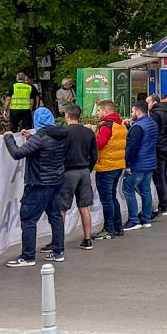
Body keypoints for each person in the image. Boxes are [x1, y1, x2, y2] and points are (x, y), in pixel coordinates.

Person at [3, 107, 70, 265]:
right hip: (56, 182)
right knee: (56, 216)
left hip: (38, 183)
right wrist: (31, 138)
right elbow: (46, 146)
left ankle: (28, 256)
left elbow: (17, 153)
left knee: (28, 220)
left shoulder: (40, 137)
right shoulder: (62, 134)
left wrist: (9, 138)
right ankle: (58, 251)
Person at [57, 105, 100, 250]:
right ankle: (87, 239)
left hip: (68, 172)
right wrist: (88, 168)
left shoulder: (63, 132)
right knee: (84, 206)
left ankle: (58, 241)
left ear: (67, 115)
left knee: (62, 208)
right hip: (84, 171)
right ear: (80, 116)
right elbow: (94, 155)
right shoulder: (88, 132)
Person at [122, 100, 159, 227]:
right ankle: (146, 218)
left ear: (138, 112)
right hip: (149, 162)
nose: (131, 113)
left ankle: (133, 220)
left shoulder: (138, 127)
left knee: (128, 190)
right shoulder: (151, 123)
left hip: (138, 164)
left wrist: (128, 163)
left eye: (132, 111)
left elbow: (133, 146)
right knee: (146, 190)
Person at [94, 100, 128, 237]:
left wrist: (91, 135)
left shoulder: (106, 126)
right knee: (113, 197)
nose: (97, 113)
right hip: (117, 164)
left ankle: (109, 228)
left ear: (106, 111)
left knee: (106, 199)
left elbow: (99, 144)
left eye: (99, 110)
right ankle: (117, 226)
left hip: (106, 166)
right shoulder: (120, 125)